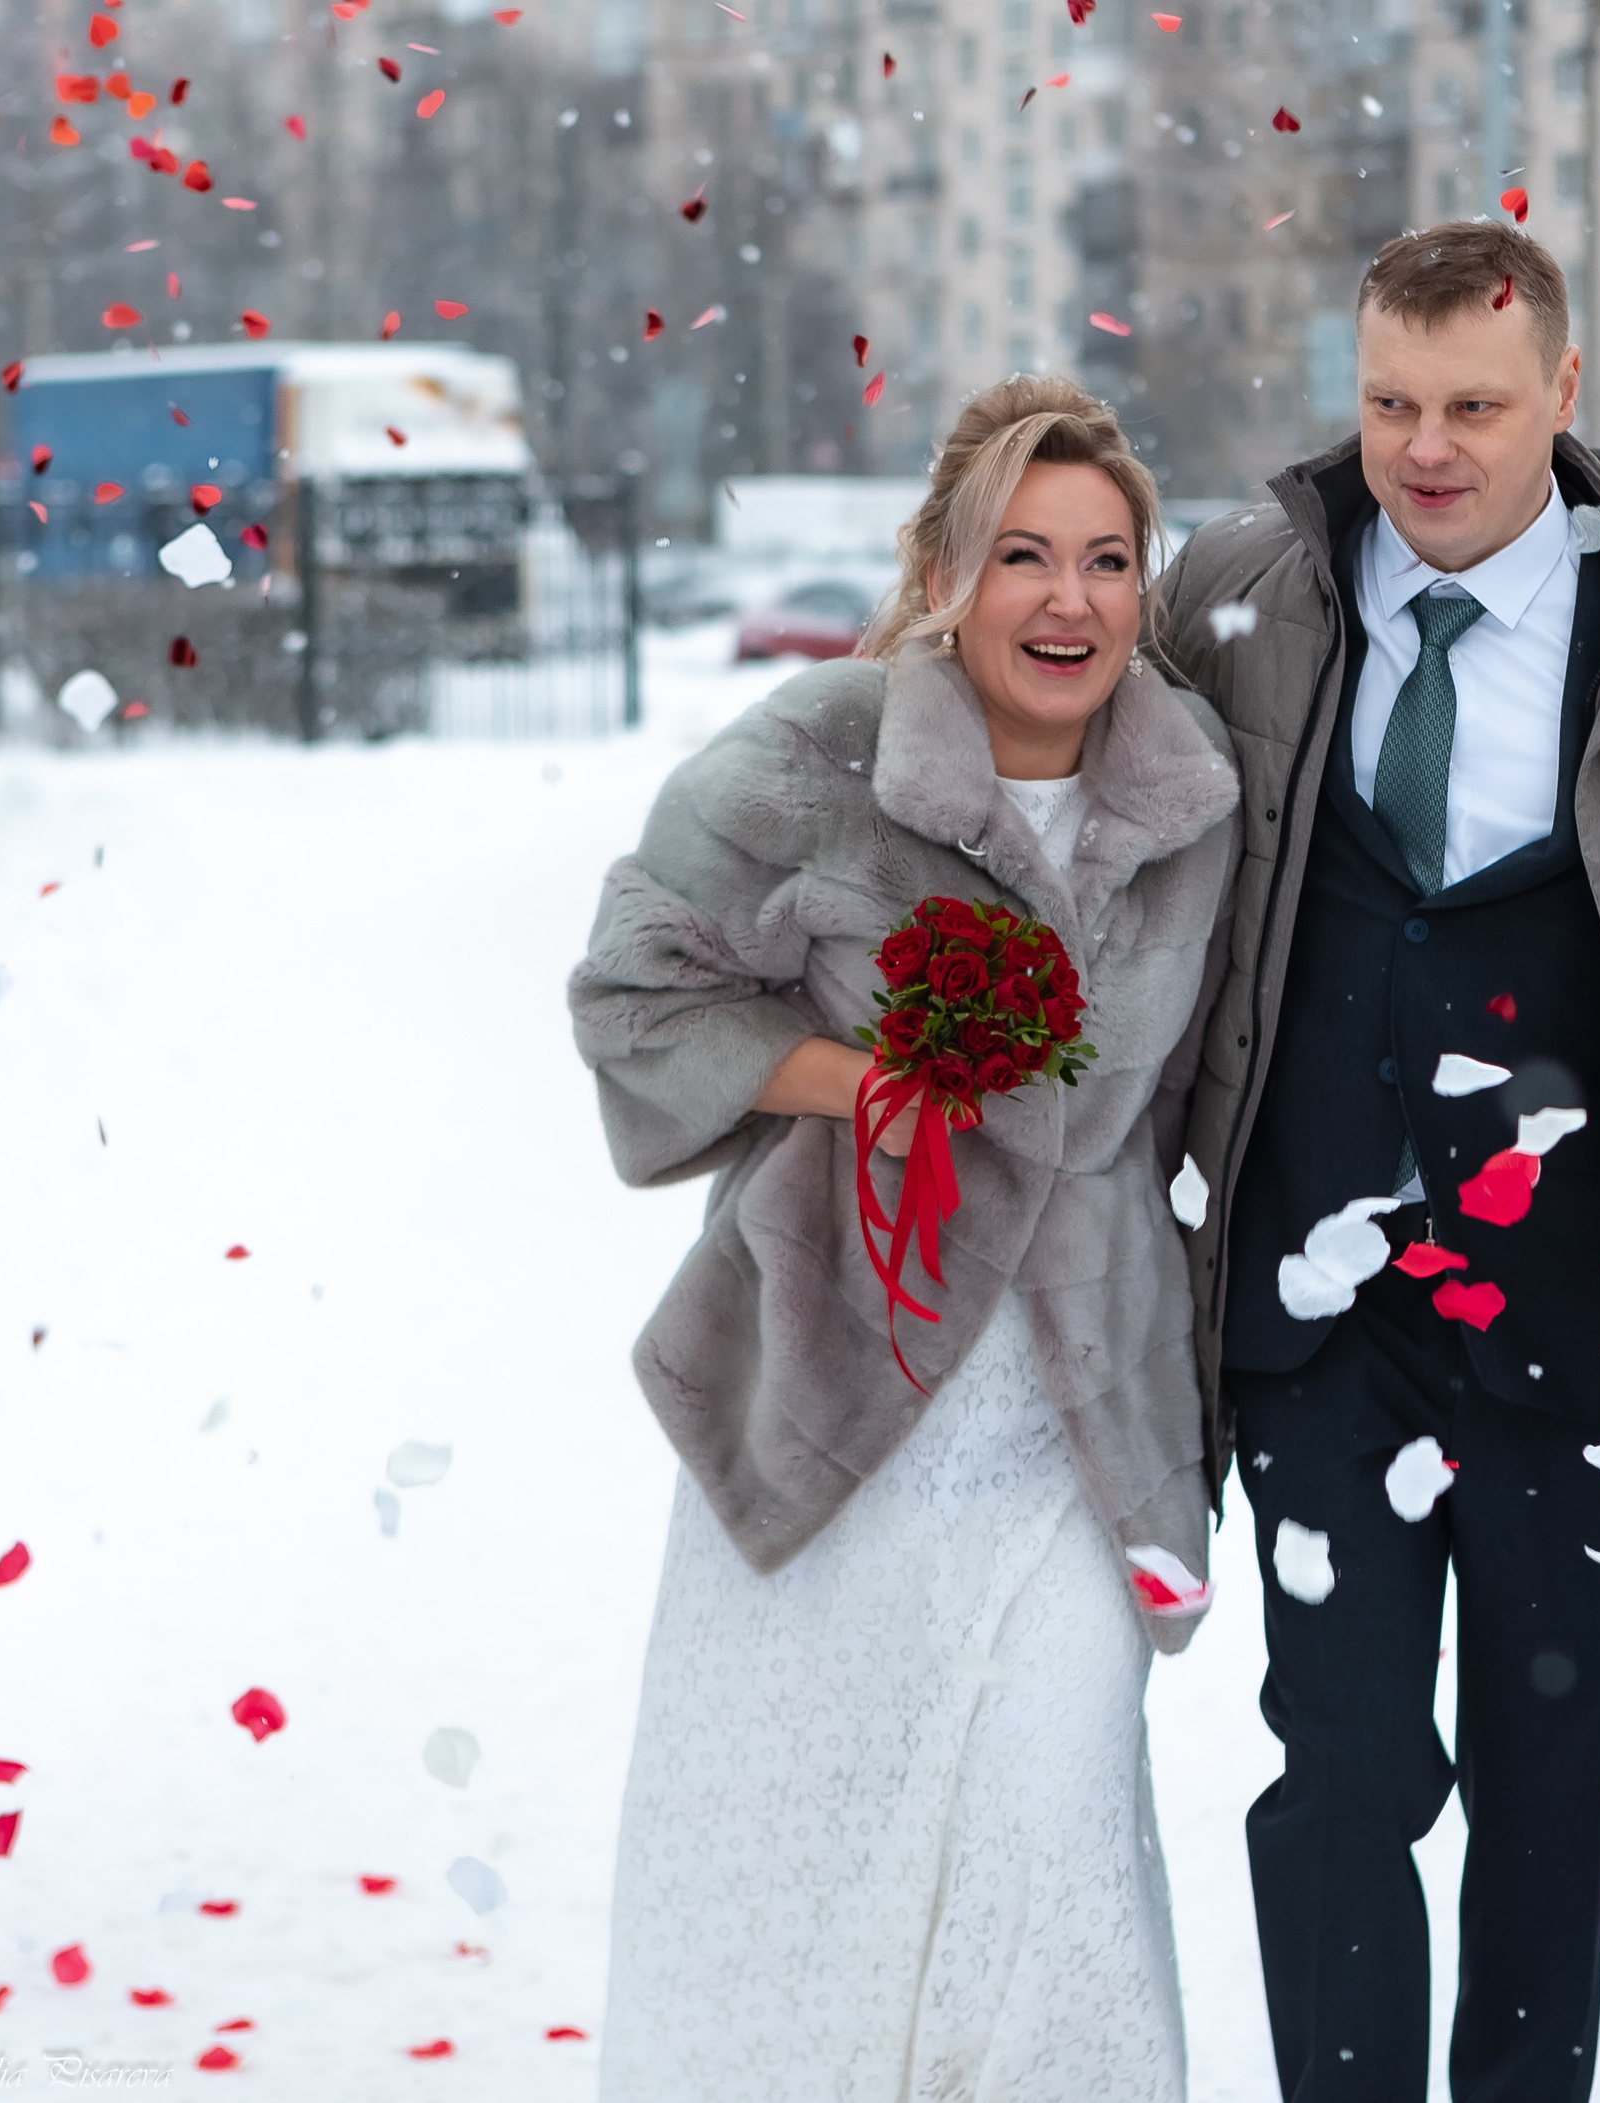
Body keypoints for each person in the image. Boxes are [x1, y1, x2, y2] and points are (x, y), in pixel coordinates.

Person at [1157, 222, 1600, 2100]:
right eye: (1390, 400)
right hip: (1319, 1321)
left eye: (1475, 403)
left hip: (1592, 1320)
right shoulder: (1240, 601)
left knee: (1551, 1795)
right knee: (1347, 1763)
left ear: (1564, 391)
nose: (1427, 446)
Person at [568, 376, 1241, 2097]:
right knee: (810, 1875)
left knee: (1058, 1825)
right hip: (842, 1393)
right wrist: (877, 1078)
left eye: (1106, 558)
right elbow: (635, 993)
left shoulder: (1197, 806)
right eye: (1024, 554)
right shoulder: (815, 755)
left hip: (1081, 1423)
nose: (1069, 599)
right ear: (947, 568)